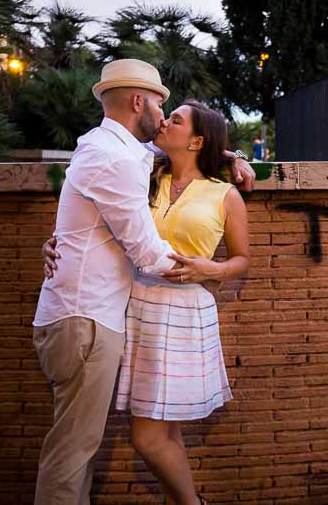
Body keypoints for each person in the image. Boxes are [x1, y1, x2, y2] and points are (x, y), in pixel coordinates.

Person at [32, 58, 254, 505]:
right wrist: (201, 271)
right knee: (81, 448)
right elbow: (147, 252)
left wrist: (234, 156)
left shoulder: (122, 152)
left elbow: (187, 158)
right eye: (161, 106)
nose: (162, 116)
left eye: (174, 117)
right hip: (99, 315)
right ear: (139, 101)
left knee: (101, 442)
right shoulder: (123, 160)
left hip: (117, 315)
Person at [116, 100, 248, 505]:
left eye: (176, 120)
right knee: (163, 431)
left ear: (196, 141)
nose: (164, 121)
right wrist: (235, 154)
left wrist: (210, 269)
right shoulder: (144, 175)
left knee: (150, 436)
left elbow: (243, 260)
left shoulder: (225, 195)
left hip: (187, 315)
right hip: (137, 306)